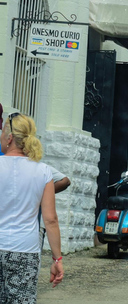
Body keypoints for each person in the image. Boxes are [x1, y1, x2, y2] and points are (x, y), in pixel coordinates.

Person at [0, 112, 64, 303]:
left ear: (10, 138)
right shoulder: (43, 171)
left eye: (2, 133)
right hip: (25, 251)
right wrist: (57, 260)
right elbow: (50, 220)